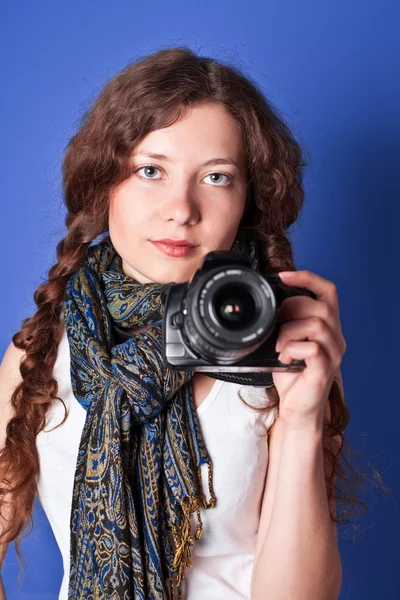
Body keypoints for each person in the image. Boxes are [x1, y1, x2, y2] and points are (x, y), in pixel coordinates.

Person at [0, 46, 353, 600]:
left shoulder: (280, 347)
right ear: (103, 184)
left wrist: (304, 417)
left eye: (216, 177)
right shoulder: (42, 350)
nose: (181, 208)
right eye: (150, 170)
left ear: (247, 201)